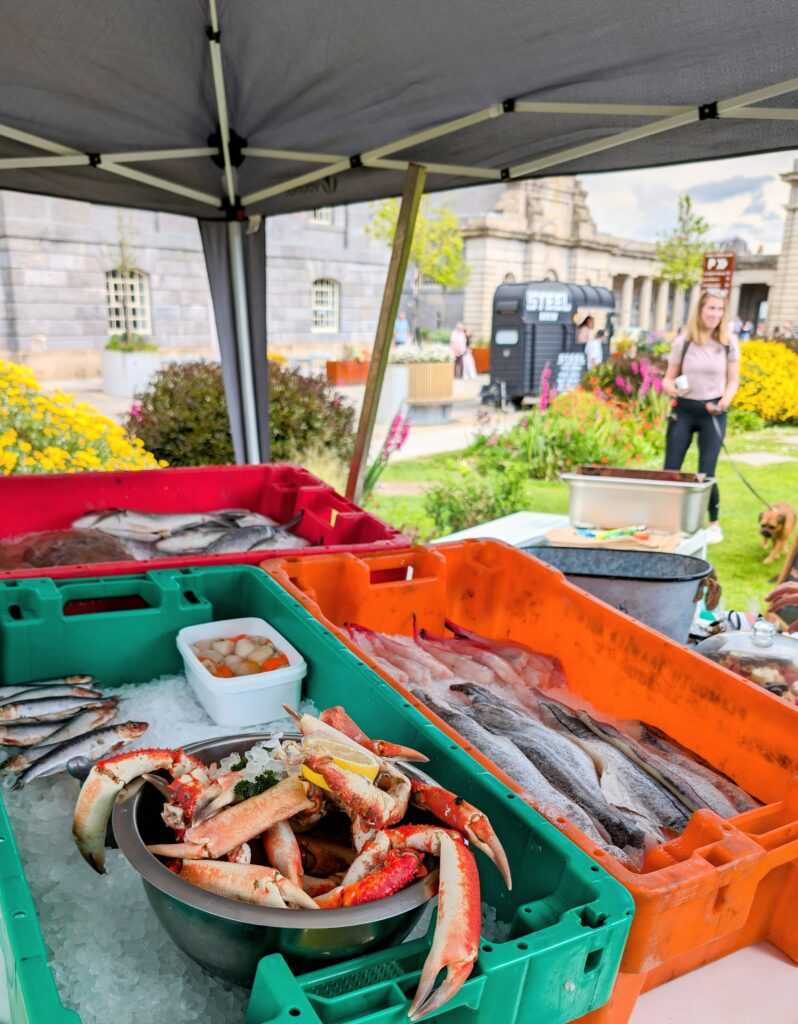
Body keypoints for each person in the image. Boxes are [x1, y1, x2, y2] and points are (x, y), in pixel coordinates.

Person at [662, 291, 740, 545]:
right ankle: (668, 521)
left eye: (719, 310)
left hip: (712, 412)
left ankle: (713, 523)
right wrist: (669, 386)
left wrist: (723, 403)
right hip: (684, 409)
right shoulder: (684, 341)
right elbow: (668, 376)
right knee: (671, 468)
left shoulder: (728, 342)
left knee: (707, 471)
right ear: (700, 310)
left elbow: (733, 380)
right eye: (711, 309)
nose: (715, 315)